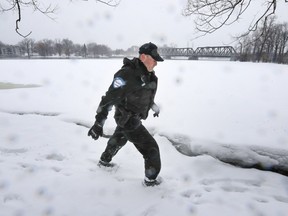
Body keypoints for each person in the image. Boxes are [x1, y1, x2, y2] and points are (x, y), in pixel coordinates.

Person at [88, 42, 164, 186]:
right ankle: (151, 181)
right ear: (143, 57)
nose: (156, 63)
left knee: (119, 139)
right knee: (151, 149)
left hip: (130, 118)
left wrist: (152, 106)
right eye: (154, 59)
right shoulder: (126, 75)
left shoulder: (147, 74)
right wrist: (99, 123)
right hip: (128, 119)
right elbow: (108, 99)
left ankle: (104, 160)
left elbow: (143, 94)